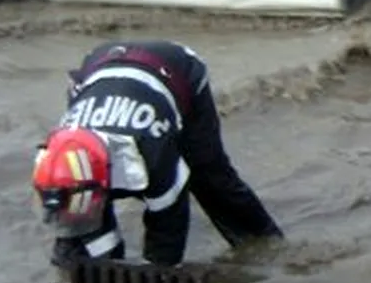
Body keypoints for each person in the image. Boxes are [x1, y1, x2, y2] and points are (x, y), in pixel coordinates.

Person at [31, 40, 284, 267]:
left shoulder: (151, 157)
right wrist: (105, 266)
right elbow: (76, 205)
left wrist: (157, 271)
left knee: (208, 176)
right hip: (98, 68)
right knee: (75, 220)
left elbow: (168, 225)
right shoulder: (55, 158)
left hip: (177, 69)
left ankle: (266, 247)